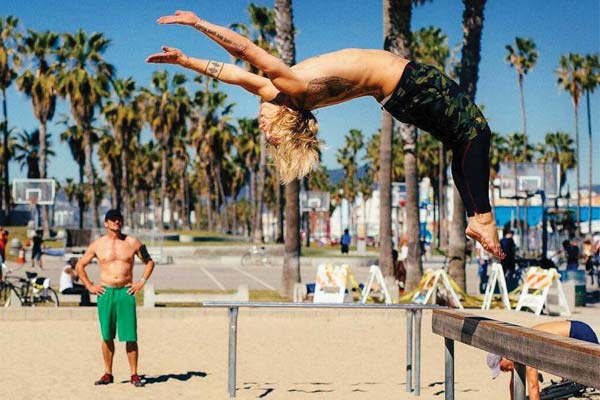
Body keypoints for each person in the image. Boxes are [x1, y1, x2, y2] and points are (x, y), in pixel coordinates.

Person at [146, 10, 505, 260]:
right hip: (408, 83)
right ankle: (482, 217)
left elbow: (230, 72)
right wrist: (197, 24)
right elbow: (246, 51)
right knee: (476, 131)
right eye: (267, 126)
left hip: (397, 97)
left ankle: (476, 216)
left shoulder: (278, 92)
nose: (260, 122)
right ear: (286, 118)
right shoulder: (294, 86)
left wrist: (184, 60)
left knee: (462, 141)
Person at [76, 209, 155, 387]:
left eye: (119, 219)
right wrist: (89, 286)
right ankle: (107, 373)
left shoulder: (132, 242)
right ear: (106, 223)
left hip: (125, 293)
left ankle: (134, 375)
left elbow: (149, 262)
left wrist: (141, 281)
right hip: (106, 293)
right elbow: (80, 265)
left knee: (130, 336)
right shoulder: (97, 245)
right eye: (113, 220)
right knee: (107, 336)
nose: (117, 222)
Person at [486, 320, 598, 400]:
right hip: (571, 333)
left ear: (504, 357)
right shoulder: (514, 346)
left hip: (577, 334)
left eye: (502, 368)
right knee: (568, 382)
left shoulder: (525, 349)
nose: (504, 371)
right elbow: (514, 382)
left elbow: (533, 387)